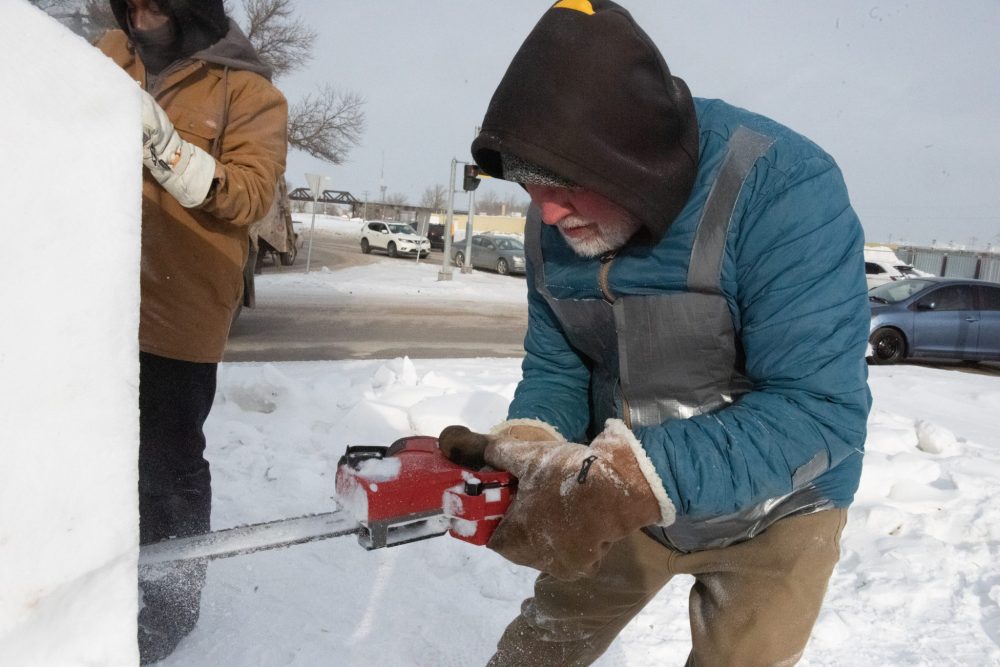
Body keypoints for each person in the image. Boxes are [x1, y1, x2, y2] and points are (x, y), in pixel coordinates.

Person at [438, 1, 871, 665]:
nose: (545, 213)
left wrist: (628, 477)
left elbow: (820, 409)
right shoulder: (556, 220)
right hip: (621, 493)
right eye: (529, 184)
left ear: (631, 162)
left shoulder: (784, 189)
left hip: (781, 506)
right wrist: (535, 445)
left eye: (561, 182)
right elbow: (560, 363)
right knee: (535, 654)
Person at [95, 0, 287, 662]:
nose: (139, 13)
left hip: (179, 309)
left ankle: (170, 604)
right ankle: (93, 580)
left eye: (155, 1)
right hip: (93, 302)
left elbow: (251, 194)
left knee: (167, 463)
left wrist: (168, 149)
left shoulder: (249, 92)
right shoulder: (107, 56)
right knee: (91, 451)